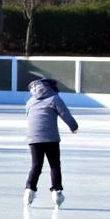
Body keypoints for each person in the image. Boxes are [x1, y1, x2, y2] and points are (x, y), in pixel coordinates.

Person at [23, 77, 78, 208]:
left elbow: (28, 116)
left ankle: (29, 191)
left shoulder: (30, 101)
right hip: (50, 138)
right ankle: (57, 193)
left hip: (33, 138)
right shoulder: (54, 98)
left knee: (36, 166)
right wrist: (74, 126)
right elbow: (65, 114)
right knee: (54, 165)